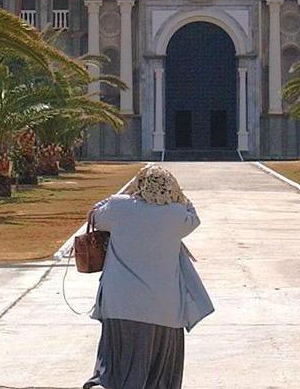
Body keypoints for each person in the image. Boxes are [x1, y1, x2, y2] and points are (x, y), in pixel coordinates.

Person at [84, 165, 213, 389]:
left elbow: (95, 214)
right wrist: (178, 195)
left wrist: (123, 194)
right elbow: (194, 216)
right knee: (159, 378)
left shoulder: (119, 206)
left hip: (121, 303)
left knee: (119, 372)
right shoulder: (177, 215)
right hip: (165, 308)